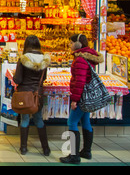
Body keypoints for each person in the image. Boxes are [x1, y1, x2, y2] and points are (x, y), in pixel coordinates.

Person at [60, 34, 104, 164]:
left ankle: (74, 156)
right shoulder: (89, 57)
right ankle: (86, 151)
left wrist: (75, 99)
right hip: (88, 96)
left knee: (72, 122)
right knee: (86, 121)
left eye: (71, 42)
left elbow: (79, 81)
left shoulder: (79, 59)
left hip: (82, 96)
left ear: (78, 44)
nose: (69, 45)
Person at [13, 35, 51, 156]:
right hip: (37, 94)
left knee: (24, 119)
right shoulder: (44, 60)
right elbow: (44, 78)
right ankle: (46, 148)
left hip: (25, 93)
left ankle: (23, 148)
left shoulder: (23, 59)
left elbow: (17, 79)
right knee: (38, 118)